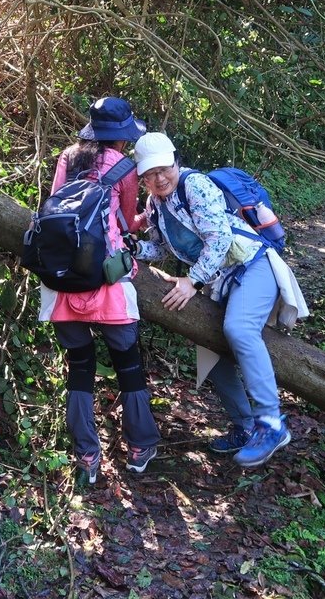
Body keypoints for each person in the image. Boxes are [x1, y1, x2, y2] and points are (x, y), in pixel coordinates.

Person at [131, 132, 292, 468]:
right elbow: (161, 249)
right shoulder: (154, 205)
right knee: (211, 353)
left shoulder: (196, 186)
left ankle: (272, 423)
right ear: (143, 177)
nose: (159, 178)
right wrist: (133, 250)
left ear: (175, 161)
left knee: (238, 329)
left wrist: (192, 281)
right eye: (150, 173)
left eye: (164, 169)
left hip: (252, 265)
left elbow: (218, 240)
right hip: (221, 280)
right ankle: (244, 427)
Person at [38, 97, 161, 483]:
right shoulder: (123, 167)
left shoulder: (67, 157)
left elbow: (56, 209)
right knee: (127, 362)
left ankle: (87, 456)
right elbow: (125, 223)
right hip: (106, 277)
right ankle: (140, 446)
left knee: (79, 366)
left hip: (62, 277)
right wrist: (147, 217)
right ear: (123, 137)